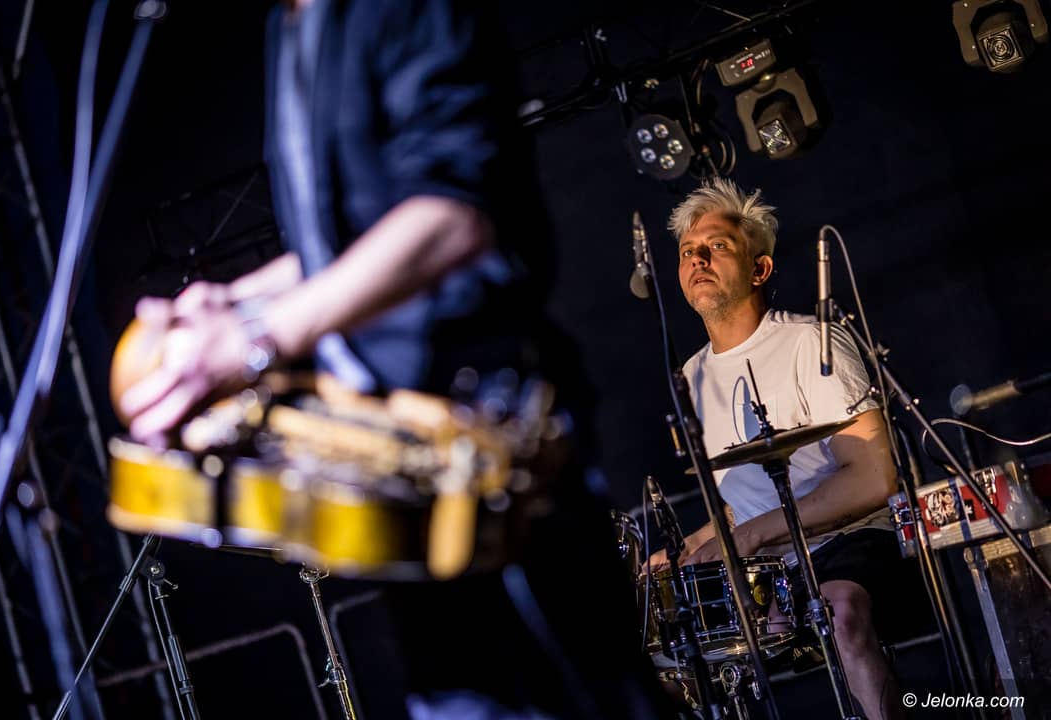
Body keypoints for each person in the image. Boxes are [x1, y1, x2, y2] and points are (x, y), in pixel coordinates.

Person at [119, 1, 665, 718]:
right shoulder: (292, 24)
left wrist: (257, 340)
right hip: (403, 452)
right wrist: (233, 303)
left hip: (489, 435)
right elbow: (347, 243)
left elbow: (453, 214)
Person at [646, 177, 921, 720]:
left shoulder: (810, 342)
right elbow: (745, 500)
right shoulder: (691, 376)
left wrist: (748, 536)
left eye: (717, 246)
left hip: (849, 540)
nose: (698, 259)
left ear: (760, 268)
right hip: (769, 564)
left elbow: (873, 478)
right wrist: (691, 546)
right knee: (671, 654)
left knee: (840, 611)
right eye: (687, 251)